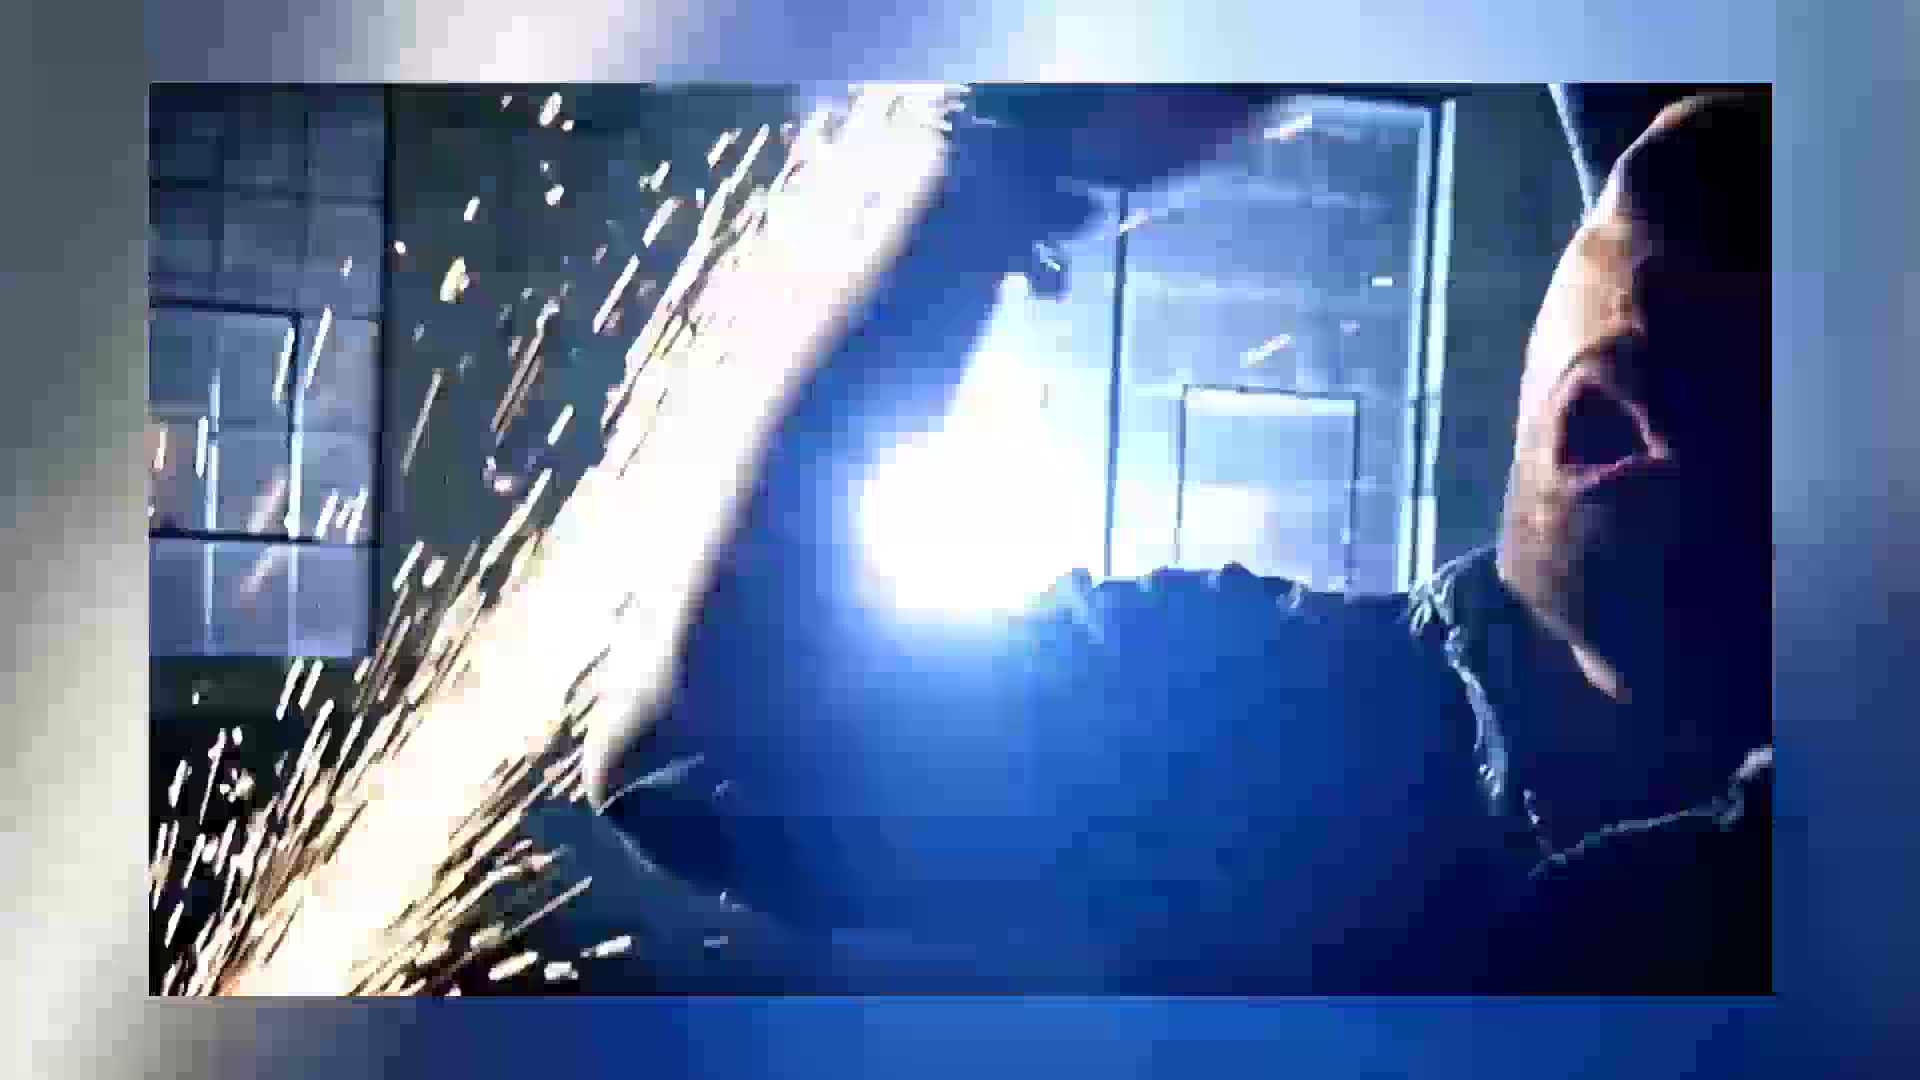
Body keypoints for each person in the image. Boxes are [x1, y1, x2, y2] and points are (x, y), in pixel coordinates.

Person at [576, 87, 1772, 994]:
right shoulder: (1245, 711)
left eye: (1760, 363)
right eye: (1656, 237)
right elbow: (700, 757)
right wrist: (1002, 168)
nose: (1661, 317)